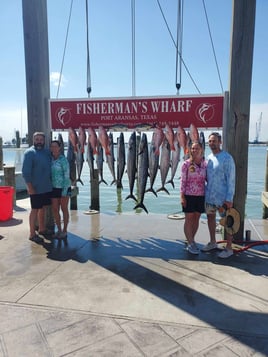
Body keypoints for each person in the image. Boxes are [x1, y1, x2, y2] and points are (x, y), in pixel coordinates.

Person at [202, 132, 236, 258]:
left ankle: (228, 248)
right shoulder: (208, 158)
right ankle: (212, 242)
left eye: (214, 141)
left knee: (227, 222)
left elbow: (231, 180)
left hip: (223, 199)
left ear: (220, 142)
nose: (212, 143)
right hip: (210, 196)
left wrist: (229, 198)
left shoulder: (227, 158)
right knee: (210, 219)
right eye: (210, 141)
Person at [22, 132, 52, 243]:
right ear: (33, 140)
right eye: (37, 139)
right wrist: (30, 187)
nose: (39, 141)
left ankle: (42, 228)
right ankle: (31, 233)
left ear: (44, 141)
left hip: (46, 187)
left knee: (42, 208)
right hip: (35, 187)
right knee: (34, 210)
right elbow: (25, 172)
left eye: (41, 139)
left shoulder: (47, 152)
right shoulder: (29, 153)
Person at [180, 141, 207, 254]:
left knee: (196, 218)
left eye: (197, 148)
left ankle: (192, 240)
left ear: (201, 149)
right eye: (193, 148)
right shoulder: (186, 164)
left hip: (201, 195)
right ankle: (190, 243)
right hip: (189, 195)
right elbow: (183, 181)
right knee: (189, 219)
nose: (194, 150)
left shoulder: (205, 164)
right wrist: (182, 196)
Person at [50, 140, 71, 239]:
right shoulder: (50, 159)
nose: (54, 148)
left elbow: (67, 176)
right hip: (53, 188)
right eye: (52, 146)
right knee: (55, 209)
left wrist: (64, 191)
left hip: (64, 187)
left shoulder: (63, 159)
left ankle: (65, 230)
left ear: (59, 148)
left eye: (55, 146)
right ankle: (58, 229)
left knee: (64, 209)